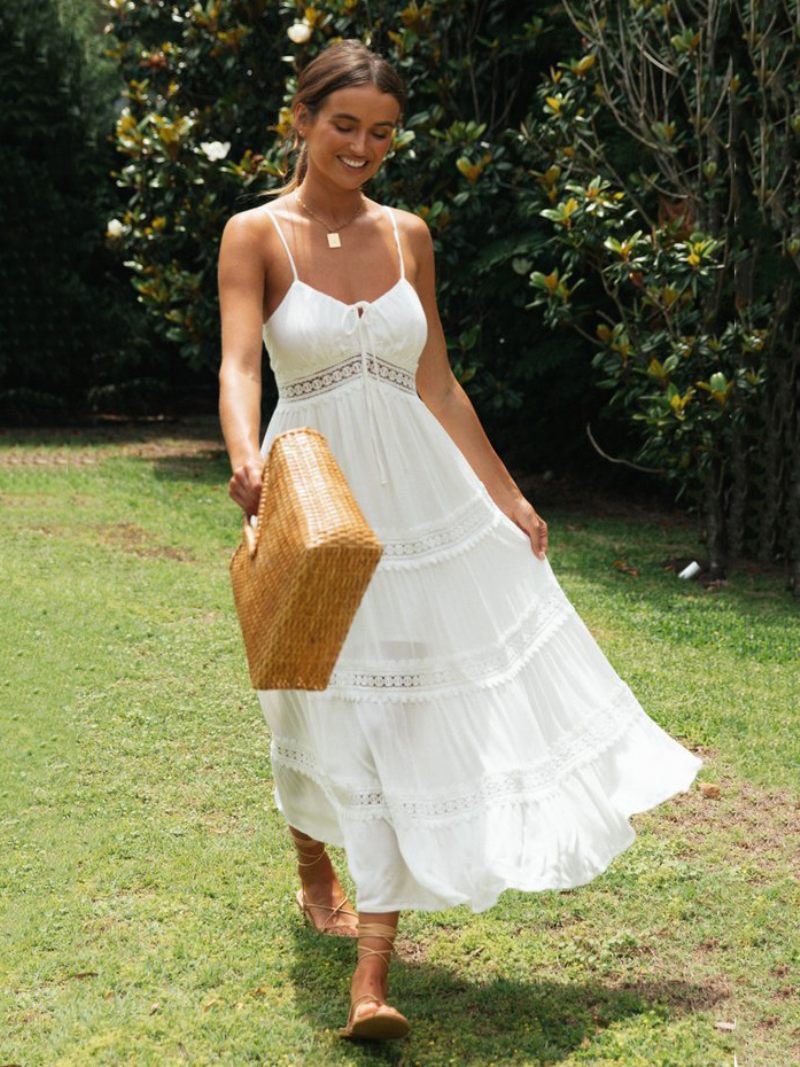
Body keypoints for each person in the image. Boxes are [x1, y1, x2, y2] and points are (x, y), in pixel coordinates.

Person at [217, 38, 703, 1042]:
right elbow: (237, 366)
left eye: (381, 133)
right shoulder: (253, 233)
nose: (361, 147)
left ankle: (372, 974)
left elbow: (434, 379)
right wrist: (242, 459)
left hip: (421, 502)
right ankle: (312, 861)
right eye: (343, 125)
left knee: (397, 712)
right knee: (305, 691)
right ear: (302, 119)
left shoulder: (409, 234)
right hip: (314, 488)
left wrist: (508, 494)